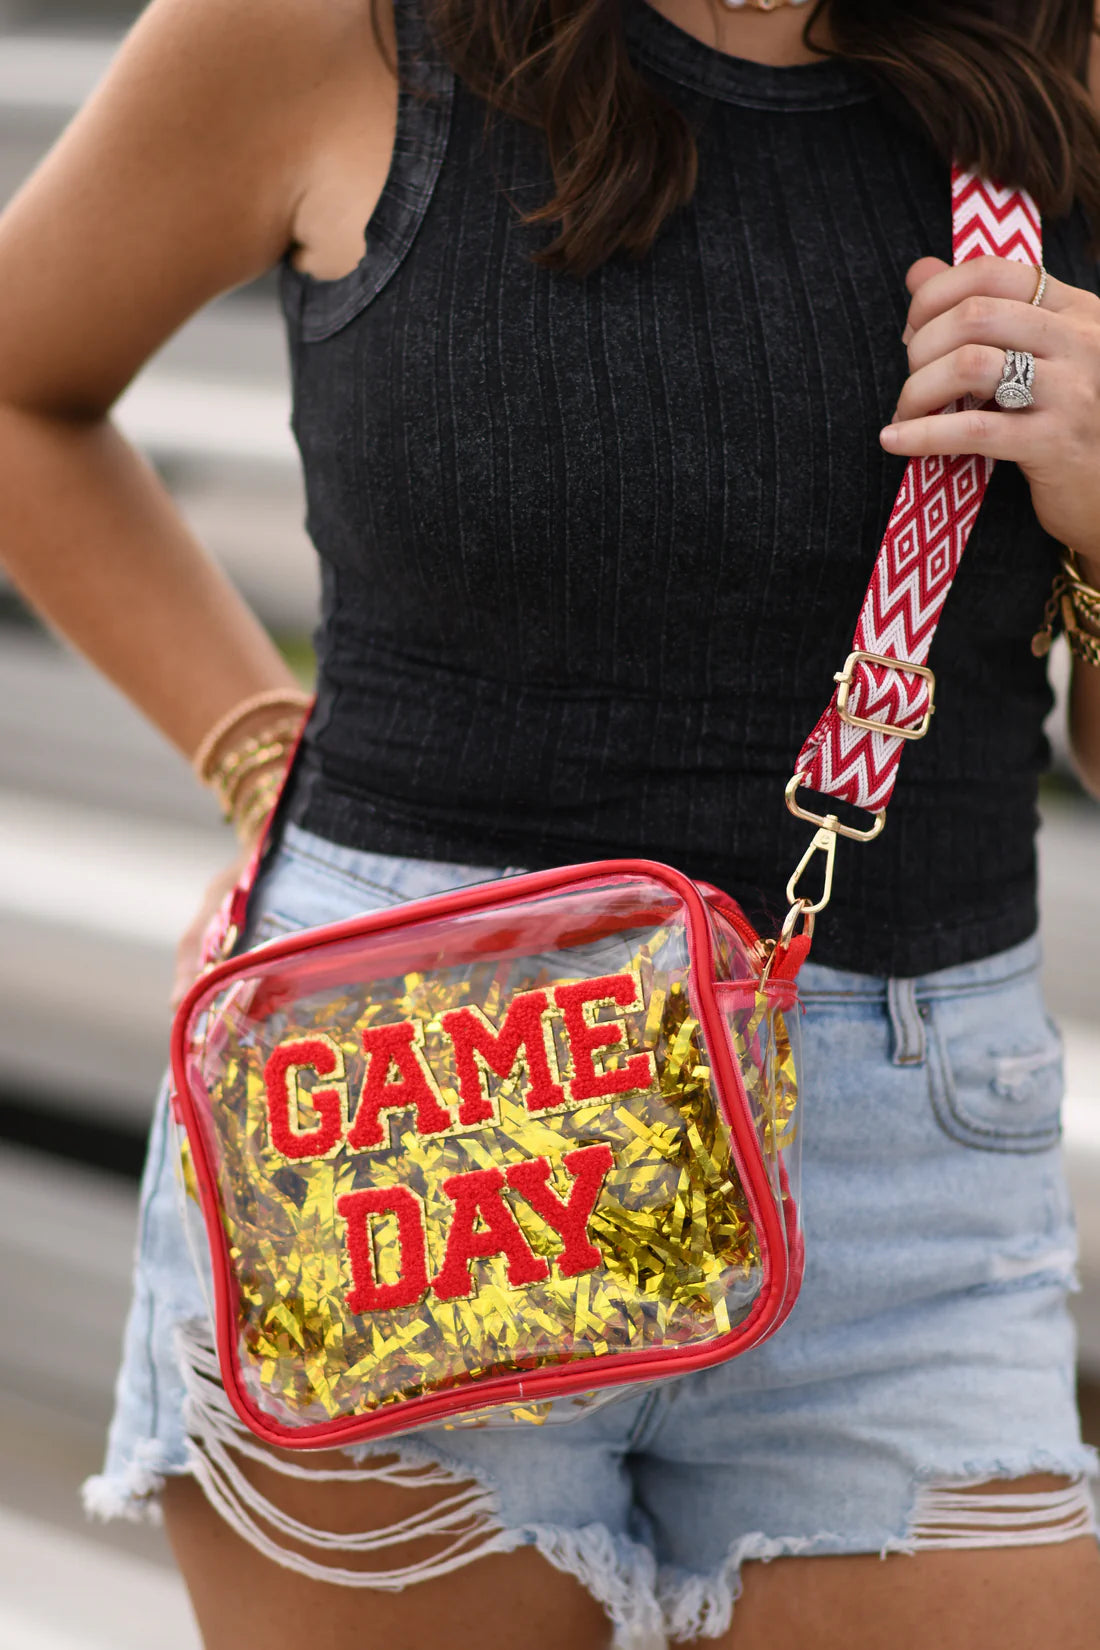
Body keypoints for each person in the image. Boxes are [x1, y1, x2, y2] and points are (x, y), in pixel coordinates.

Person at [1, 0, 1100, 1643]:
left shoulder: (1062, 50)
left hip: (904, 1183)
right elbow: (22, 386)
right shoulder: (335, 26)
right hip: (403, 1121)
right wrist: (252, 750)